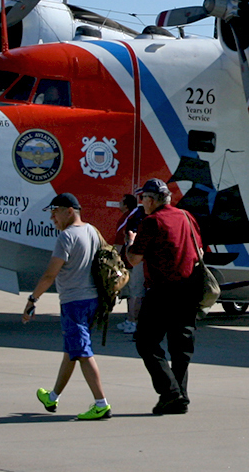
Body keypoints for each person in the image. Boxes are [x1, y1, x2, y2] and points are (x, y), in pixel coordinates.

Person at [22, 193, 110, 420]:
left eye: (55, 211)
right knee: (71, 351)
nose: (52, 217)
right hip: (91, 300)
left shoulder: (66, 238)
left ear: (69, 211)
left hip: (74, 303)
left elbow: (50, 274)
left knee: (82, 352)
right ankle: (52, 397)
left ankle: (101, 404)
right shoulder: (91, 230)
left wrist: (33, 300)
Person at [120, 179, 204, 415]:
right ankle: (179, 396)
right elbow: (198, 249)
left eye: (142, 198)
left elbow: (134, 259)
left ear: (151, 199)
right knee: (181, 347)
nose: (141, 203)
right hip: (189, 290)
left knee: (146, 342)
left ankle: (170, 392)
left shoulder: (151, 222)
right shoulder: (187, 217)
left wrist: (131, 242)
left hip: (163, 291)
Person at [115, 193, 145, 333]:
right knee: (128, 292)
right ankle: (129, 319)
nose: (119, 204)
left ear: (126, 205)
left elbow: (121, 239)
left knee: (135, 292)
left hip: (131, 259)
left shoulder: (128, 217)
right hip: (129, 259)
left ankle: (134, 321)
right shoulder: (131, 216)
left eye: (121, 202)